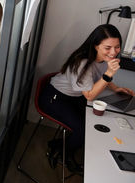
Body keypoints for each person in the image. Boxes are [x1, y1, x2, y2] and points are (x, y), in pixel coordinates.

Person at [39, 24, 135, 171]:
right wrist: (109, 74)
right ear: (96, 46)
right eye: (107, 47)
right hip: (54, 98)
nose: (113, 52)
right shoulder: (82, 62)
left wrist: (116, 88)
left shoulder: (102, 59)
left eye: (117, 47)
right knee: (83, 130)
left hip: (74, 97)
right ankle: (63, 154)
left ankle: (60, 144)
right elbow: (90, 95)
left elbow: (99, 77)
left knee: (93, 125)